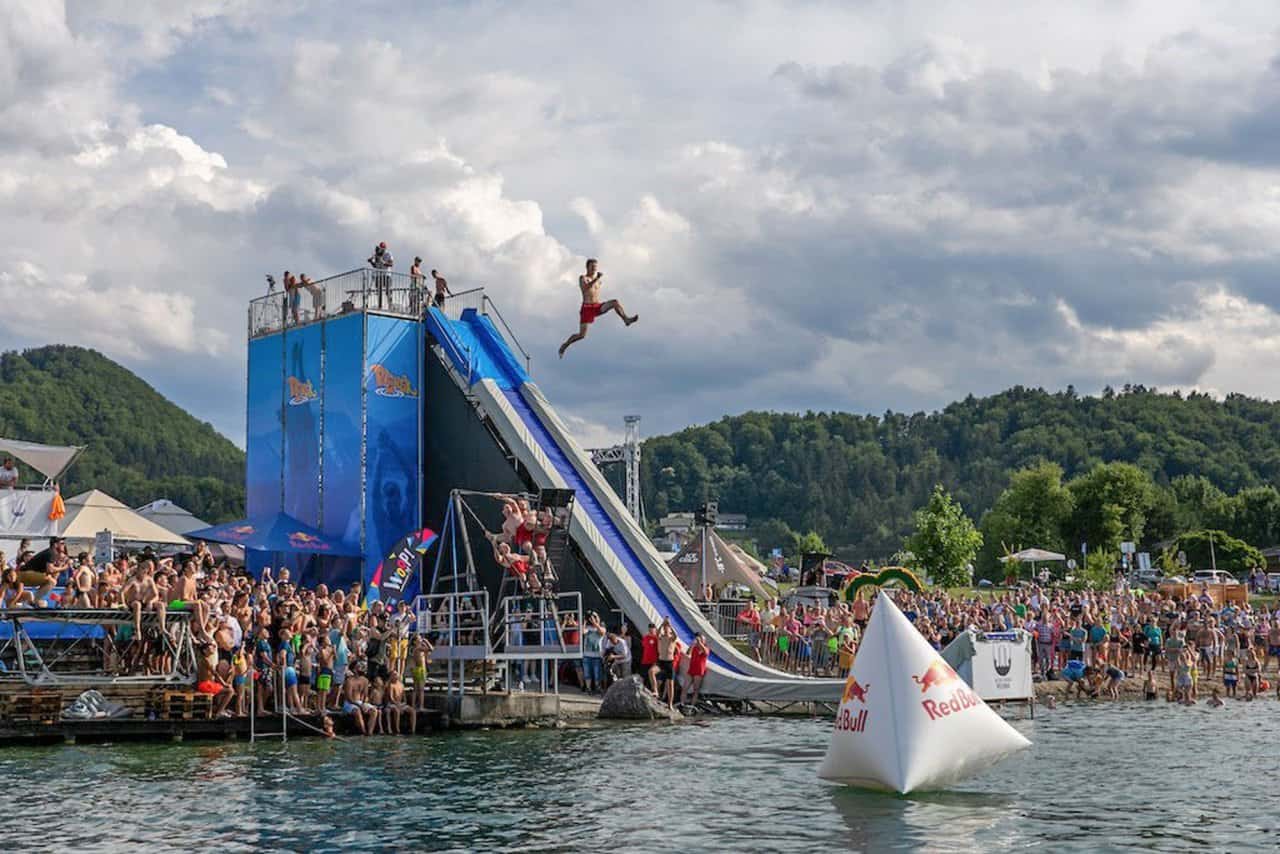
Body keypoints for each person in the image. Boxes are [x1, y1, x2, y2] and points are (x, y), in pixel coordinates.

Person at [557, 258, 638, 358]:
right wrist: (596, 279)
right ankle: (565, 345)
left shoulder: (598, 281)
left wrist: (597, 280)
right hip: (587, 309)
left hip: (597, 306)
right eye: (592, 267)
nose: (594, 269)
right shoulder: (583, 278)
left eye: (595, 267)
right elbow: (586, 288)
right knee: (582, 335)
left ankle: (626, 319)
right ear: (587, 267)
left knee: (615, 302)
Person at [683, 633, 710, 706]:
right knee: (685, 688)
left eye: (702, 640)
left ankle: (692, 705)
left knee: (696, 690)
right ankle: (682, 703)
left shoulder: (706, 648)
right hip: (691, 670)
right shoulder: (695, 648)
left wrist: (700, 642)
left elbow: (706, 652)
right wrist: (692, 645)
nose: (699, 641)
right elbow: (688, 653)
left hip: (699, 671)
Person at [368, 241, 394, 308]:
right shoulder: (377, 255)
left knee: (388, 291)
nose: (381, 250)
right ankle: (380, 306)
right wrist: (371, 261)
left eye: (382, 249)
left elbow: (391, 264)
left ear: (385, 249)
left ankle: (390, 305)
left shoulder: (388, 254)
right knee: (379, 291)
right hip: (379, 275)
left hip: (386, 274)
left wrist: (382, 261)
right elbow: (375, 266)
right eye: (380, 249)